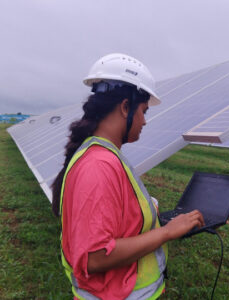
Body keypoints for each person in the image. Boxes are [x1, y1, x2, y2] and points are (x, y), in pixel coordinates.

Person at [51, 53, 205, 300]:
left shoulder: (104, 155)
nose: (144, 121)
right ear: (125, 107)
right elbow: (95, 256)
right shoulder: (98, 165)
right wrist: (167, 232)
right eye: (143, 111)